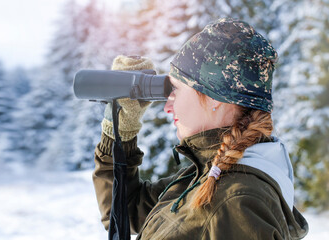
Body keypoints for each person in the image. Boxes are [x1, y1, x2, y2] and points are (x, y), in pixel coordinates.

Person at [93, 18, 308, 239]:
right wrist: (119, 128)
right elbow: (125, 213)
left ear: (216, 98)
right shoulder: (210, 174)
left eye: (175, 89)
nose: (167, 106)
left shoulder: (237, 202)